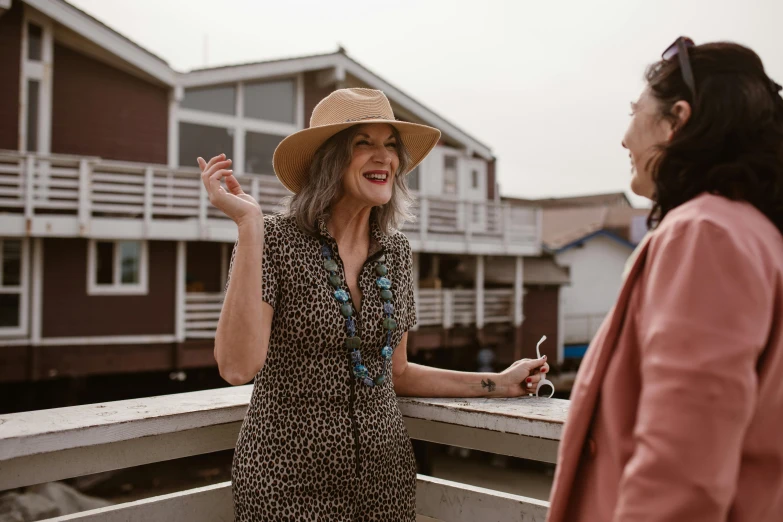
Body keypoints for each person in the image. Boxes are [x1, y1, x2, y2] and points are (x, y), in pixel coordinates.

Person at [197, 88, 551, 521]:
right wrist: (249, 226)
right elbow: (236, 367)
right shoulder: (275, 240)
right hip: (285, 482)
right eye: (364, 143)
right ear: (330, 159)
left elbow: (396, 371)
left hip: (385, 483)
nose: (383, 157)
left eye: (389, 145)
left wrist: (499, 383)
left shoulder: (395, 251)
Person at [546, 38, 783, 522]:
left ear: (677, 120)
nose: (624, 138)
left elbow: (682, 465)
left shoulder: (705, 234)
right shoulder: (756, 232)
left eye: (636, 112)